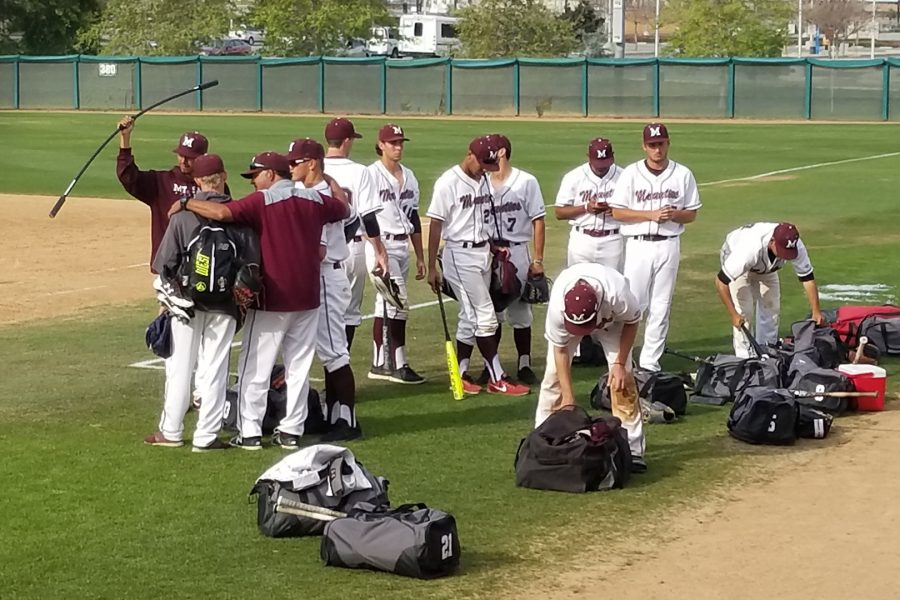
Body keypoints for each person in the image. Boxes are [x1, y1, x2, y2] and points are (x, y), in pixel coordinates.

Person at [169, 151, 350, 450]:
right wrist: (329, 180)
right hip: (308, 296)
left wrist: (187, 202)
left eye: (256, 175)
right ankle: (291, 430)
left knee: (255, 365)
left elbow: (223, 213)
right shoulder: (315, 200)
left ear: (271, 174)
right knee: (299, 366)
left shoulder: (263, 200)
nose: (254, 182)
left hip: (272, 297)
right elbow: (343, 208)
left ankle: (250, 431)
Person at [145, 153, 260, 452]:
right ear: (223, 177)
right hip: (225, 305)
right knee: (215, 368)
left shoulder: (182, 216)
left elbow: (163, 264)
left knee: (181, 367)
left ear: (196, 181)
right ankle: (206, 436)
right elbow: (251, 269)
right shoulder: (239, 214)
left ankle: (170, 431)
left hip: (186, 303)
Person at [426, 135, 530, 397]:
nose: (486, 169)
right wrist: (430, 267)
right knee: (486, 317)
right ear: (469, 154)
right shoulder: (447, 183)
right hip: (460, 256)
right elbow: (436, 224)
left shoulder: (482, 179)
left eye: (489, 165)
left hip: (483, 252)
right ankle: (497, 377)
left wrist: (493, 246)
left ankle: (460, 375)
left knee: (468, 318)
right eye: (483, 163)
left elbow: (479, 219)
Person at [535, 263, 647, 472]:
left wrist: (620, 364)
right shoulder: (558, 307)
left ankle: (632, 448)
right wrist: (568, 398)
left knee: (623, 382)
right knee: (553, 379)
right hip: (579, 319)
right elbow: (560, 352)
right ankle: (543, 440)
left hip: (612, 323)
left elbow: (632, 322)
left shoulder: (617, 293)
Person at [610, 123, 702, 372]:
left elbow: (692, 214)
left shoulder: (683, 174)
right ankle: (622, 359)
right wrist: (649, 214)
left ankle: (650, 361)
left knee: (661, 305)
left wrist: (675, 214)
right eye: (652, 145)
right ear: (644, 146)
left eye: (660, 143)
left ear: (668, 143)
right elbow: (617, 212)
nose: (657, 149)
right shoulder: (630, 173)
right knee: (633, 304)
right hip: (639, 246)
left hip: (669, 245)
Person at [287, 137, 362, 442]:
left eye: (295, 162)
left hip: (327, 276)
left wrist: (333, 248)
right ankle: (331, 415)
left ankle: (347, 421)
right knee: (318, 350)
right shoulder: (324, 192)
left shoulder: (321, 196)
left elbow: (351, 221)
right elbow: (353, 221)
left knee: (334, 352)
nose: (290, 166)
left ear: (312, 163)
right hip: (320, 275)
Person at [479, 133, 546, 385]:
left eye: (491, 150)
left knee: (520, 311)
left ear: (502, 152)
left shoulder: (526, 181)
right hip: (488, 252)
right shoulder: (481, 182)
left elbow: (538, 220)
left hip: (517, 250)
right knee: (491, 313)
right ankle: (491, 365)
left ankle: (524, 363)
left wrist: (537, 260)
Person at [365, 124, 427, 385]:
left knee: (386, 304)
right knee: (399, 304)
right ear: (380, 145)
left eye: (401, 142)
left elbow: (413, 216)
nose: (398, 147)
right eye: (392, 143)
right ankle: (399, 363)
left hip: (402, 246)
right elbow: (365, 214)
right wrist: (378, 249)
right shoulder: (371, 175)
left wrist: (420, 255)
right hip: (381, 247)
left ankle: (380, 363)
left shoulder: (409, 176)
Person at [323, 117, 389, 349]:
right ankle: (341, 363)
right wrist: (379, 250)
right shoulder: (360, 172)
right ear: (347, 141)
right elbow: (368, 217)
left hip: (316, 248)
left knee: (314, 311)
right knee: (349, 313)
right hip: (351, 248)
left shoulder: (312, 169)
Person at [116, 116, 214, 268]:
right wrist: (125, 138)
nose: (183, 161)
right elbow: (128, 177)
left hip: (202, 265)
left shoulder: (212, 186)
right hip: (168, 266)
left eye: (190, 157)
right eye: (181, 155)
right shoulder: (162, 182)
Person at [717, 222, 825, 357]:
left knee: (772, 306)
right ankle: (744, 357)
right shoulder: (749, 249)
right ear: (772, 241)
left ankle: (767, 351)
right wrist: (733, 314)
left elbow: (807, 278)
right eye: (782, 251)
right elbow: (721, 282)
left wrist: (816, 311)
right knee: (744, 311)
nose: (784, 256)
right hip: (737, 260)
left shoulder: (794, 244)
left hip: (767, 269)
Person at [555, 137, 624, 269]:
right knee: (579, 284)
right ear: (588, 157)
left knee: (613, 285)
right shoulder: (574, 177)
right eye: (598, 163)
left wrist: (615, 211)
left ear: (613, 157)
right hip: (581, 241)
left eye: (605, 163)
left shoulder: (624, 176)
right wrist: (586, 208)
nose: (602, 168)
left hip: (613, 241)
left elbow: (632, 210)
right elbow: (559, 212)